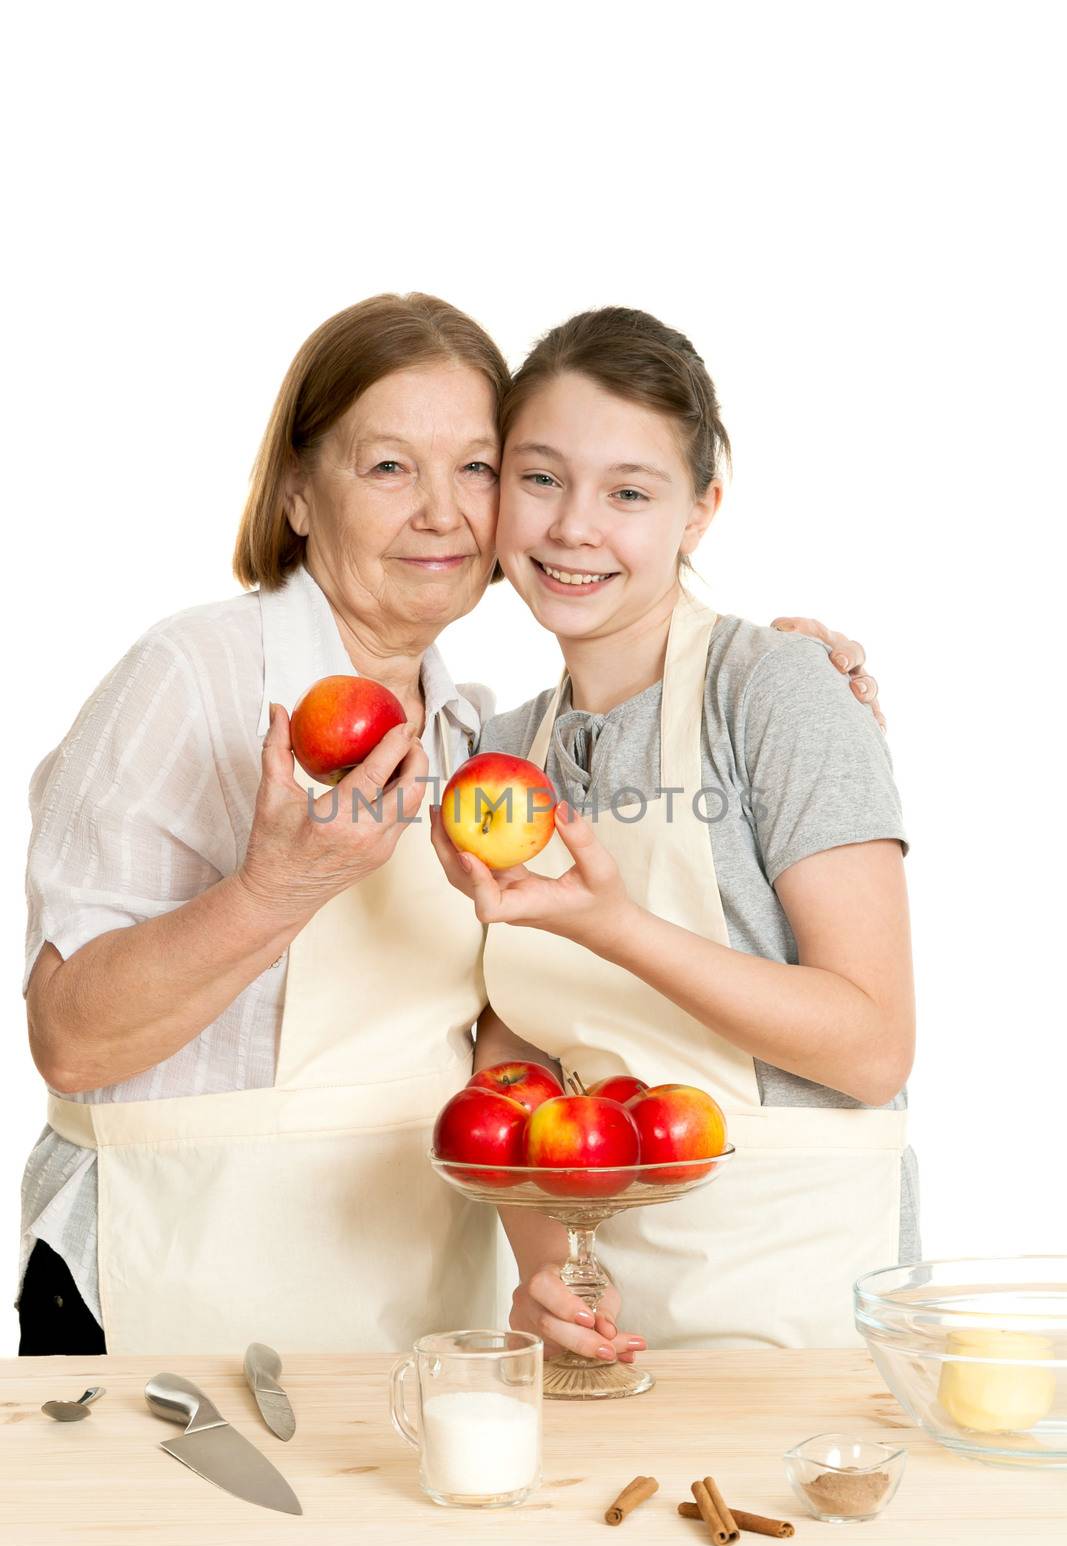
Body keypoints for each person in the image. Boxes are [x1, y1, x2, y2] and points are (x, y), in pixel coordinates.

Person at [19, 292, 885, 1357]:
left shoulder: (481, 738)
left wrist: (799, 685)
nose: (441, 512)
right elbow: (68, 1039)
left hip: (416, 1311)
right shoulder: (193, 677)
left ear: (699, 506)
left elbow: (505, 1047)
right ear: (296, 492)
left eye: (473, 468)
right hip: (170, 1279)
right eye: (388, 467)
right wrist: (274, 889)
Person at [430, 305, 915, 1361]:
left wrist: (615, 927)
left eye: (629, 494)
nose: (571, 527)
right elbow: (513, 1037)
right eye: (541, 477)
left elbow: (872, 1046)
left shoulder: (777, 691)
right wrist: (543, 1268)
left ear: (699, 512)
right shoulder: (503, 751)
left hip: (798, 1319)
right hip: (603, 1326)